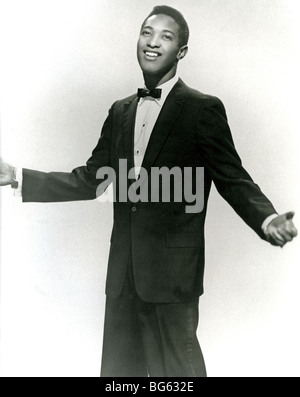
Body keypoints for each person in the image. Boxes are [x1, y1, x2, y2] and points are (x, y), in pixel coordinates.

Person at [0, 5, 297, 377]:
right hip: (123, 279)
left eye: (166, 37)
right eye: (146, 32)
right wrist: (17, 176)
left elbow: (233, 177)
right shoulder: (119, 111)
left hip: (172, 279)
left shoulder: (202, 109)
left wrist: (266, 218)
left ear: (181, 52)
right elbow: (93, 179)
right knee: (120, 381)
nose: (153, 43)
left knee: (179, 379)